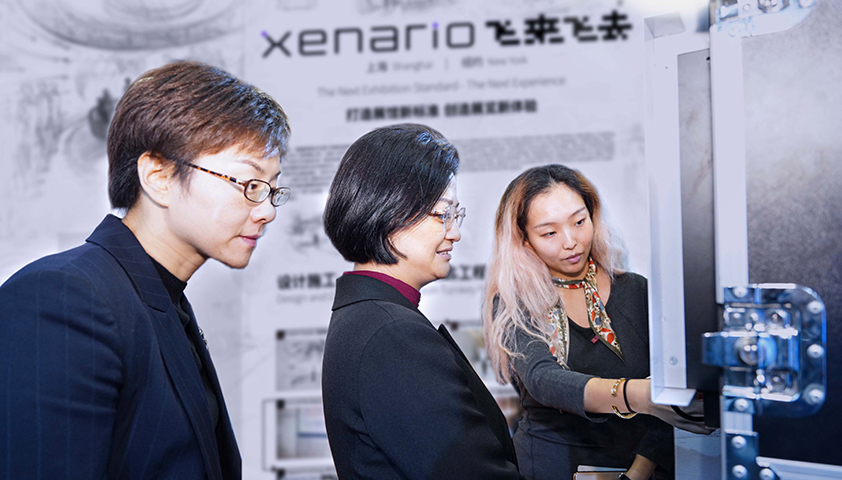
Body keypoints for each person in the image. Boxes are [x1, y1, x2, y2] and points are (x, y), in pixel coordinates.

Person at [0, 61, 291, 480]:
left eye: (271, 189)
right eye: (249, 184)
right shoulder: (64, 298)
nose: (266, 211)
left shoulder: (162, 299)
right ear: (158, 177)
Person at [321, 123, 523, 479]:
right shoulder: (392, 335)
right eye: (443, 214)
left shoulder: (368, 317)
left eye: (456, 215)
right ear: (390, 211)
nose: (455, 233)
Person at [482, 165, 707, 480]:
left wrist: (638, 472)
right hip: (551, 465)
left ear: (593, 216)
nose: (571, 241)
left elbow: (672, 393)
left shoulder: (635, 290)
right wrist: (640, 395)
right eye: (549, 233)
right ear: (525, 240)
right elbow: (544, 380)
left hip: (642, 465)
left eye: (579, 221)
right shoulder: (513, 302)